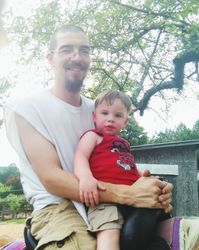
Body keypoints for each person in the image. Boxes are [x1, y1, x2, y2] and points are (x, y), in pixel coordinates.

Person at [4, 25, 173, 250]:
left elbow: (111, 161)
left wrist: (150, 187)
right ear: (50, 58)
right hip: (58, 207)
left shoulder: (98, 111)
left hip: (106, 200)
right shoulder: (26, 108)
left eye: (84, 50)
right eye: (66, 49)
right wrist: (130, 195)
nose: (77, 57)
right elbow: (52, 178)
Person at [74, 89, 170, 250]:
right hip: (105, 199)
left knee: (157, 221)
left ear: (125, 121)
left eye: (118, 115)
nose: (110, 119)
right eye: (104, 113)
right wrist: (85, 177)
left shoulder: (124, 144)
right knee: (108, 232)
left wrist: (146, 179)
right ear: (94, 117)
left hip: (133, 197)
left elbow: (128, 167)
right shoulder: (93, 136)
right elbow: (80, 157)